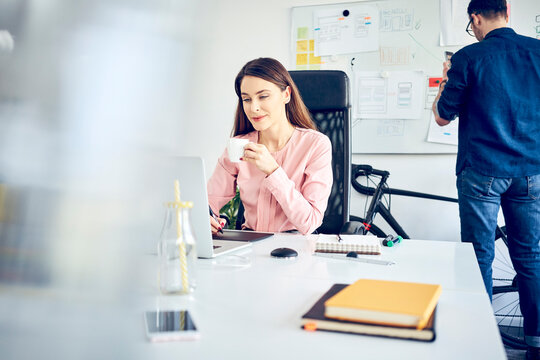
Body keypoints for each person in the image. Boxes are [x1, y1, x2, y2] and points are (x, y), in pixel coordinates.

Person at [432, 0, 540, 357]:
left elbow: (443, 117)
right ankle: (535, 340)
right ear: (507, 13)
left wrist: (444, 82)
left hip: (482, 172)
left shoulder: (468, 57)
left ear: (475, 18)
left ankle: (478, 341)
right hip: (530, 171)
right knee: (531, 256)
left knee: (478, 254)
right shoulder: (537, 51)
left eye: (472, 25)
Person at [207, 57, 333, 235]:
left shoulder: (315, 145)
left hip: (294, 250)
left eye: (263, 96)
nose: (253, 108)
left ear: (286, 94)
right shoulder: (239, 146)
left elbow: (310, 222)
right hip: (249, 247)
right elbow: (208, 201)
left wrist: (273, 171)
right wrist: (208, 218)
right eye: (247, 99)